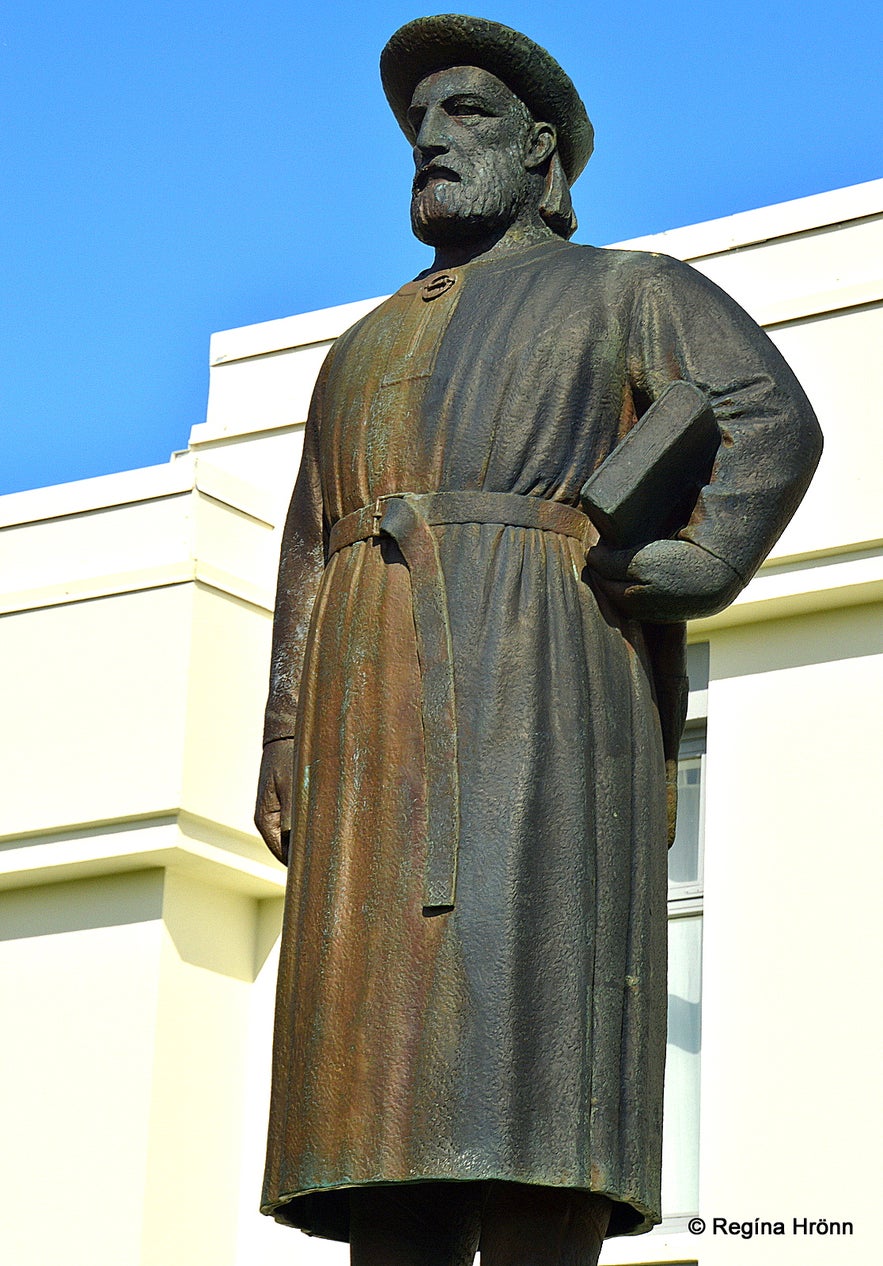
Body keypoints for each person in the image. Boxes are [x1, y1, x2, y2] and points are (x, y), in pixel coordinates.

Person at [254, 15, 822, 1265]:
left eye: (468, 117)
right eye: (420, 122)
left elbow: (765, 415)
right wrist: (287, 735)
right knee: (373, 1100)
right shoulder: (359, 347)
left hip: (546, 683)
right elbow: (308, 549)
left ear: (543, 153)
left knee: (532, 1056)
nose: (430, 139)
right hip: (367, 730)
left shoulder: (629, 289)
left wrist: (699, 554)